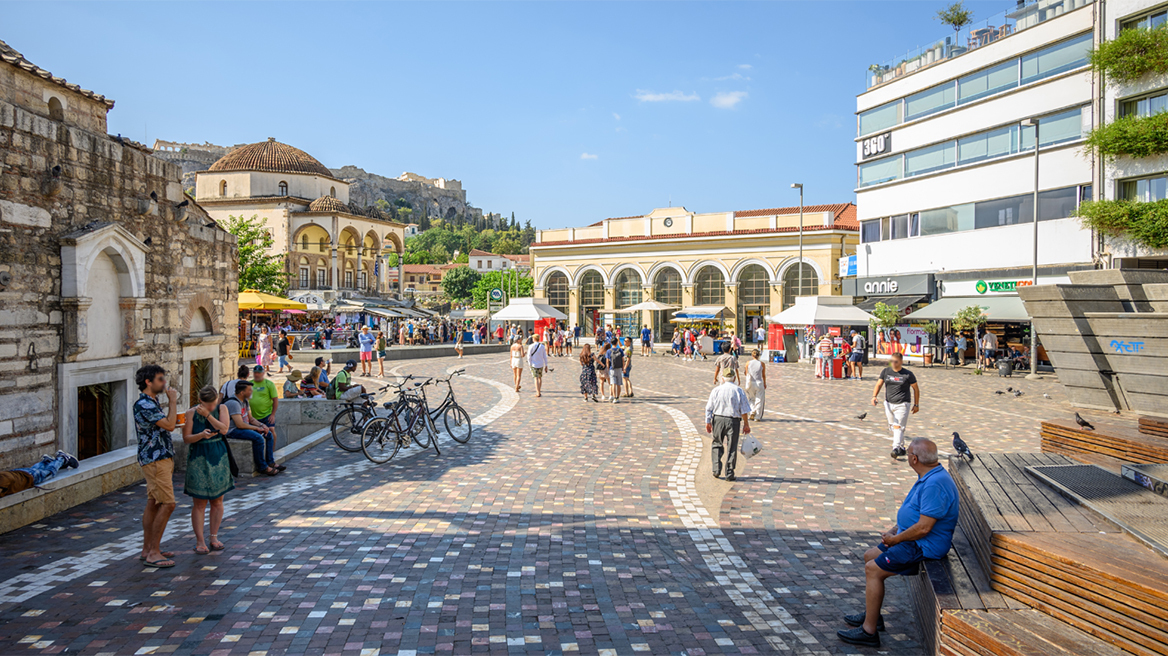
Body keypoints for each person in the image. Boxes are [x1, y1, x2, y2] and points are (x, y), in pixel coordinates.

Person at [837, 438, 959, 648]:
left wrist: (896, 539)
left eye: (909, 453)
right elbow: (915, 513)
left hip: (922, 545)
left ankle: (869, 631)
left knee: (873, 569)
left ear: (913, 458)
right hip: (910, 538)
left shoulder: (935, 484)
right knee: (870, 556)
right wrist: (896, 529)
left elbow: (924, 528)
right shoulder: (928, 475)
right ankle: (873, 615)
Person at [133, 364, 179, 568]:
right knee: (168, 503)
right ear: (148, 382)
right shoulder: (144, 404)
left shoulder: (152, 402)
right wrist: (173, 402)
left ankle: (148, 549)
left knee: (154, 502)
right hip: (155, 458)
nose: (164, 383)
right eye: (160, 379)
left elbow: (164, 426)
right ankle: (153, 553)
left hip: (159, 457)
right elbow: (169, 425)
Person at [182, 385, 234, 555]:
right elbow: (186, 438)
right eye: (208, 404)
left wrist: (209, 416)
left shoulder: (222, 408)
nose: (212, 406)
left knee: (218, 501)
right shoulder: (190, 413)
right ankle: (200, 541)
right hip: (199, 457)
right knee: (199, 503)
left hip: (218, 456)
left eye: (214, 403)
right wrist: (201, 435)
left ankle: (214, 537)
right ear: (200, 401)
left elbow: (224, 429)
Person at [704, 368, 752, 481]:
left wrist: (708, 421)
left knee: (717, 443)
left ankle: (716, 469)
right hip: (733, 421)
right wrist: (746, 424)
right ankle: (729, 472)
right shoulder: (739, 390)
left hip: (718, 419)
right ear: (734, 378)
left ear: (722, 378)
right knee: (732, 446)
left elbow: (709, 408)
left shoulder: (716, 390)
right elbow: (744, 410)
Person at [224, 381, 279, 477]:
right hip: (233, 430)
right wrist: (257, 429)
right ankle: (262, 467)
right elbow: (240, 424)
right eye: (249, 390)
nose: (252, 392)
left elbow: (251, 419)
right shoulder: (233, 403)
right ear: (242, 392)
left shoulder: (245, 401)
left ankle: (270, 462)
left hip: (243, 427)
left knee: (268, 434)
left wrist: (262, 425)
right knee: (258, 438)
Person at [871, 352, 920, 459]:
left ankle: (895, 448)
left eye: (896, 361)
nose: (893, 363)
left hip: (902, 404)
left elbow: (916, 389)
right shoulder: (886, 371)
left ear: (901, 362)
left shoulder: (908, 374)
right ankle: (901, 448)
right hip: (888, 403)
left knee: (898, 427)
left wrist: (916, 404)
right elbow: (879, 384)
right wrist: (874, 396)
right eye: (891, 361)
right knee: (893, 427)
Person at [0, 451, 79, 497]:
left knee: (50, 471)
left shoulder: (3, 481)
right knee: (34, 469)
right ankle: (47, 462)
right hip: (18, 472)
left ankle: (62, 458)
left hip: (31, 477)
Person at [250, 366, 280, 450]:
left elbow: (275, 400)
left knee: (271, 430)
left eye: (259, 373)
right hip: (253, 416)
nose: (257, 374)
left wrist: (273, 414)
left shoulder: (269, 384)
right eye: (255, 373)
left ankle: (272, 450)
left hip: (267, 414)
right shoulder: (250, 384)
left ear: (263, 373)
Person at [745, 349, 767, 420]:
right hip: (759, 382)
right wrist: (765, 383)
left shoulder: (748, 363)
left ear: (752, 355)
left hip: (750, 382)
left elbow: (746, 373)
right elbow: (763, 375)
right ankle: (757, 416)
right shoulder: (762, 363)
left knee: (751, 398)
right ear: (758, 355)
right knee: (759, 399)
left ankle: (752, 410)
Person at [527, 332, 550, 398]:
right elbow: (544, 356)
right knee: (540, 377)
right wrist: (546, 365)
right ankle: (539, 390)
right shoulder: (542, 346)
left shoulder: (531, 346)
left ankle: (538, 392)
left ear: (534, 339)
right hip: (540, 364)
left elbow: (529, 356)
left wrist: (529, 364)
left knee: (535, 378)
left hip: (534, 364)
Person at [606, 338, 624, 404]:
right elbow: (622, 360)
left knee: (613, 383)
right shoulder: (620, 350)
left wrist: (608, 368)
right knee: (619, 384)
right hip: (619, 368)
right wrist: (623, 368)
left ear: (611, 343)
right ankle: (618, 397)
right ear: (616, 343)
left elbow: (607, 361)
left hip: (612, 368)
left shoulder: (608, 351)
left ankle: (614, 397)